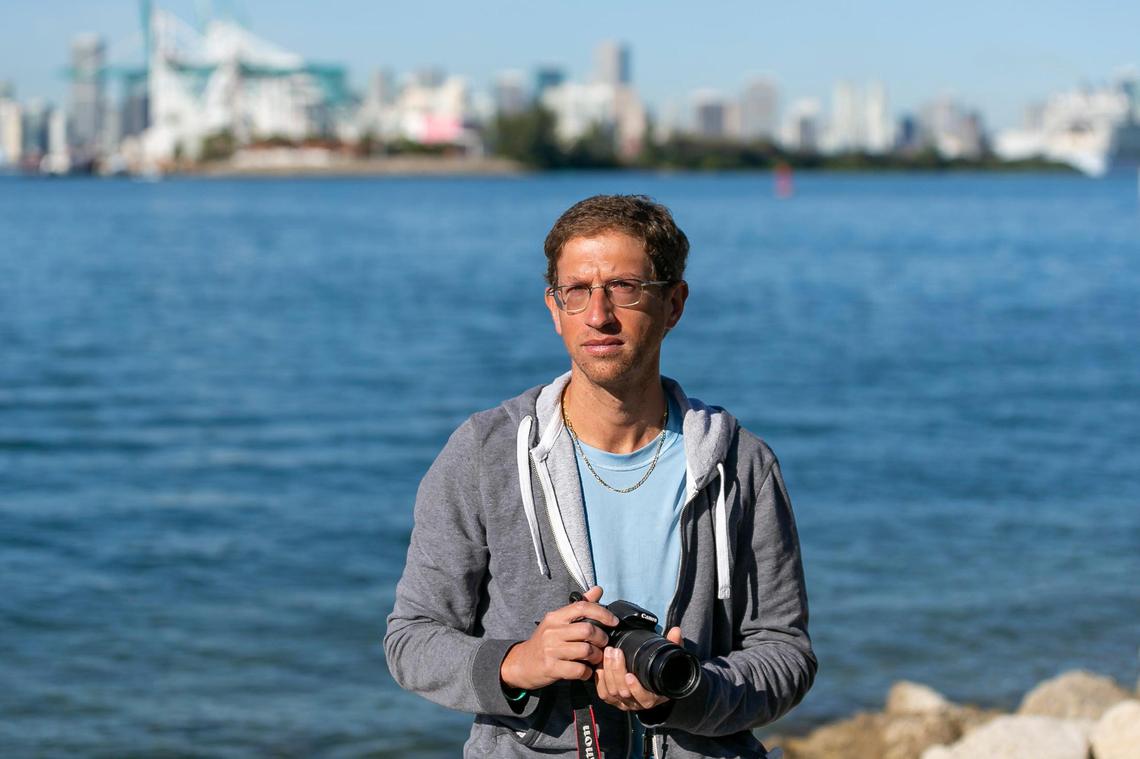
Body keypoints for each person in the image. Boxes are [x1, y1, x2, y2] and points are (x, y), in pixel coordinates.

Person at [385, 195, 815, 758]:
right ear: (553, 307)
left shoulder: (740, 464)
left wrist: (682, 695)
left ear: (674, 304)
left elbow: (785, 652)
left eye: (624, 288)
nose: (599, 315)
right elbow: (412, 639)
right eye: (578, 291)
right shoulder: (484, 454)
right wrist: (520, 663)